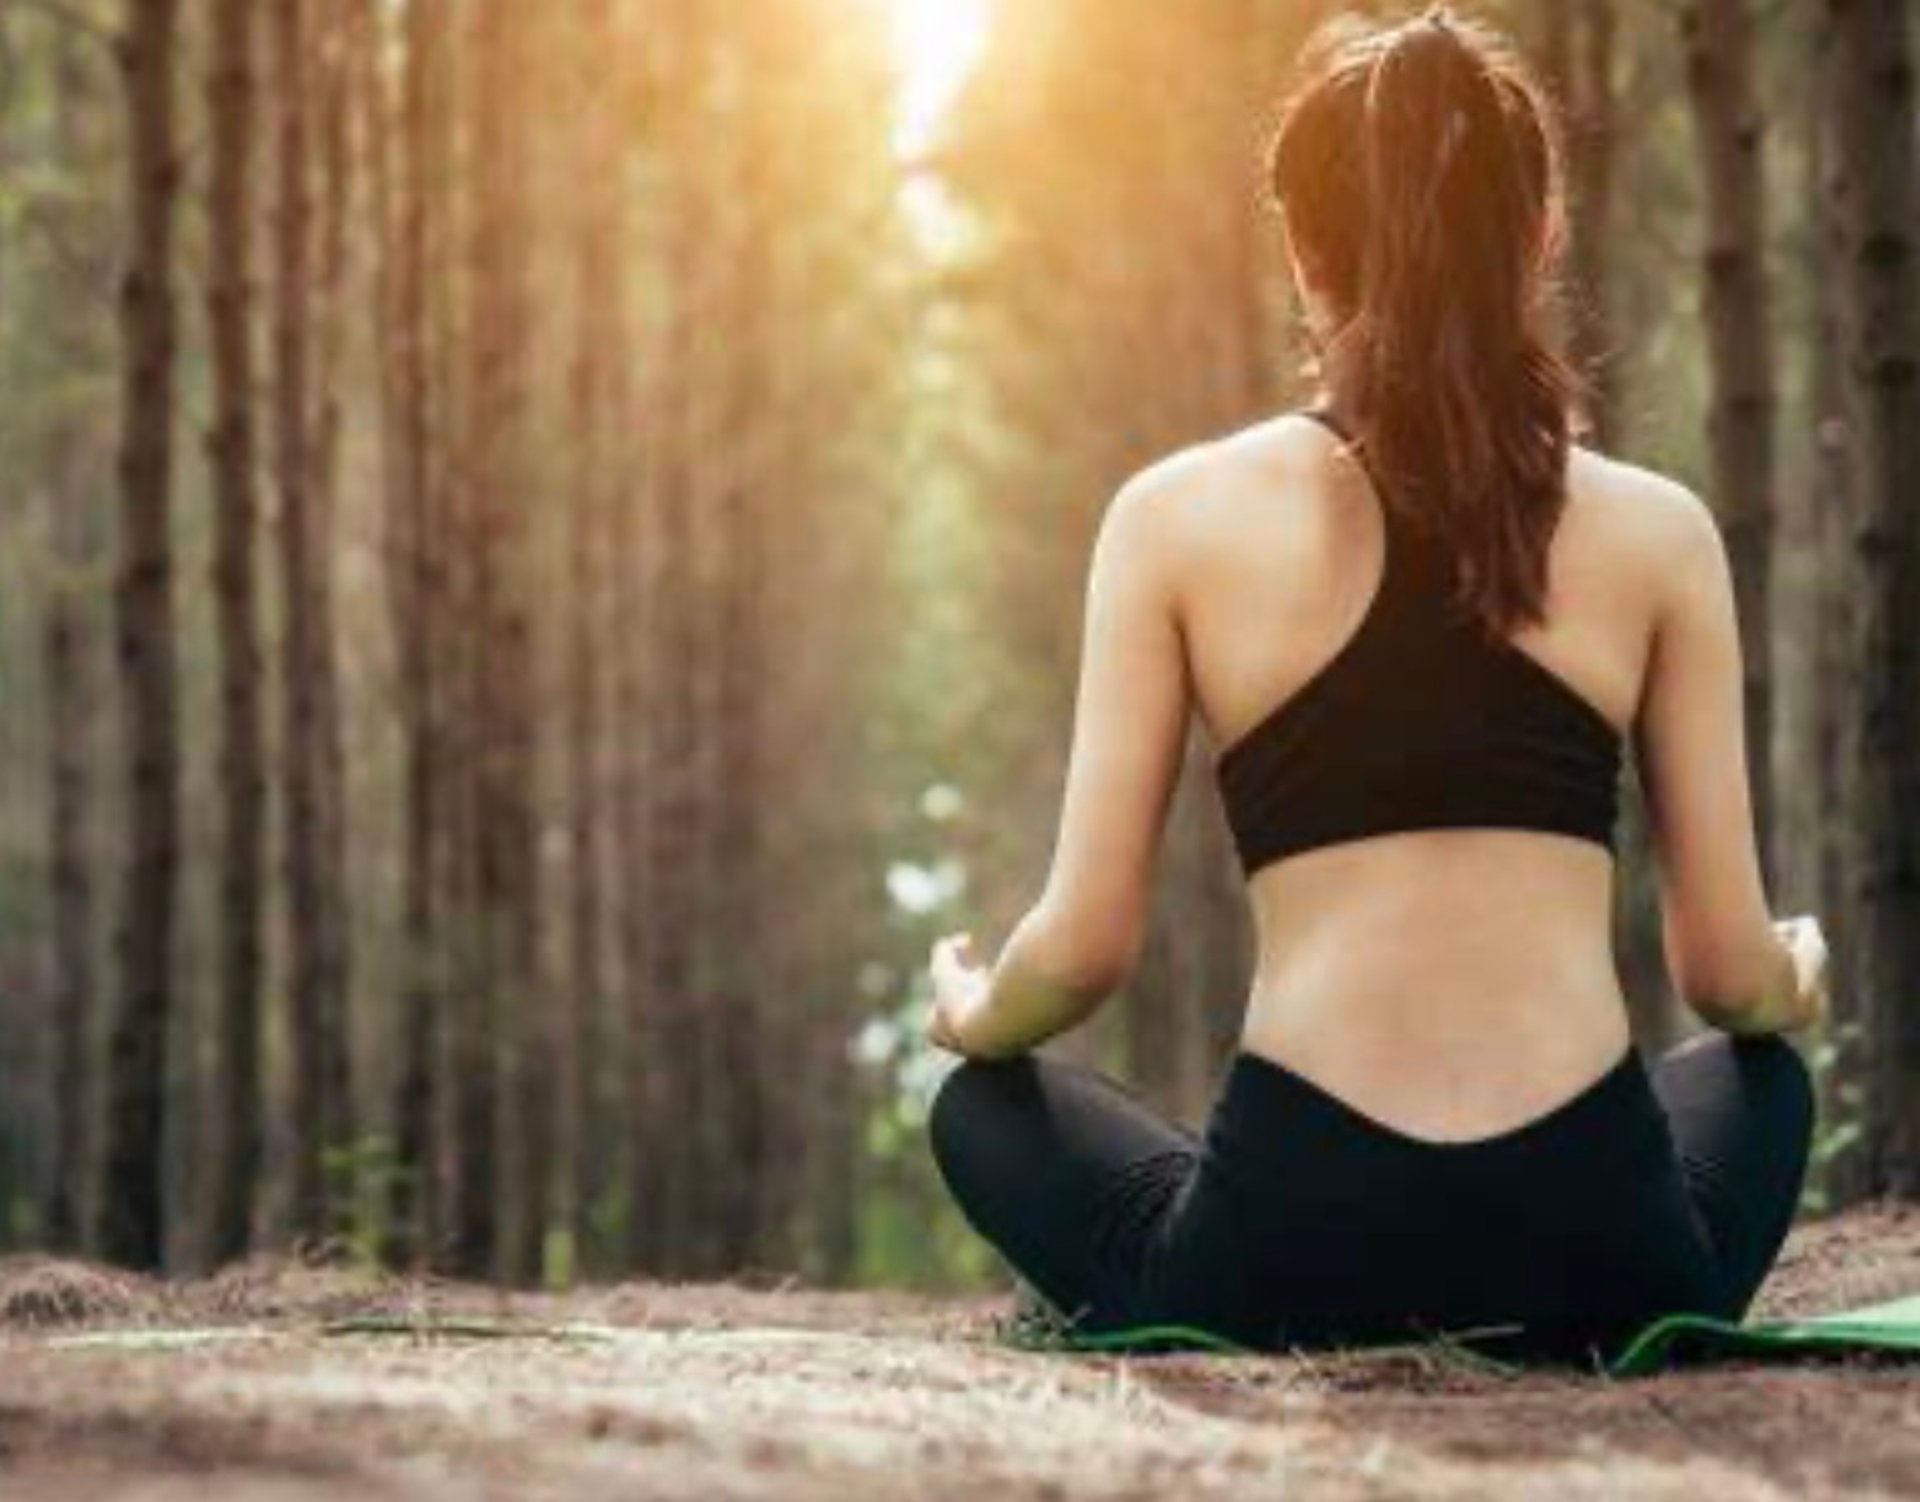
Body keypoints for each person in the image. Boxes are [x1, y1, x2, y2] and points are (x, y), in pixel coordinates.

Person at [920, 4, 1827, 1370]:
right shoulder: (1656, 531)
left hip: (1291, 1241)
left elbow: (1085, 944)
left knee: (976, 1109)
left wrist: (973, 1008)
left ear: (1301, 247)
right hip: (1601, 1249)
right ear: (1540, 234)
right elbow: (1725, 973)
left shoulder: (1175, 519)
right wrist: (1793, 975)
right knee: (1761, 1079)